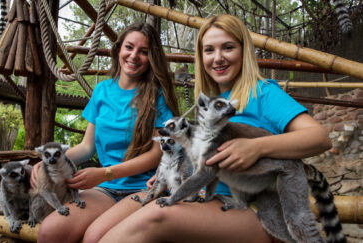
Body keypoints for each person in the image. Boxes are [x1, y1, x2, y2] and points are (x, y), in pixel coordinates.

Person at [92, 14, 332, 243]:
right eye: (209, 50)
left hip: (255, 208)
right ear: (201, 56)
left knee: (154, 216)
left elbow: (319, 138)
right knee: (97, 234)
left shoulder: (262, 92)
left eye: (227, 48)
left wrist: (255, 147)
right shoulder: (210, 102)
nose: (218, 58)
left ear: (243, 51)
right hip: (211, 200)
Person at [30, 22, 179, 243]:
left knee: (95, 237)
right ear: (118, 49)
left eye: (144, 52)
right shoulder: (102, 90)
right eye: (129, 47)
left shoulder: (157, 96)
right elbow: (87, 147)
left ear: (152, 58)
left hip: (144, 187)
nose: (134, 56)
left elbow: (157, 155)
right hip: (106, 188)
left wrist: (105, 173)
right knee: (50, 231)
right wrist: (50, 161)